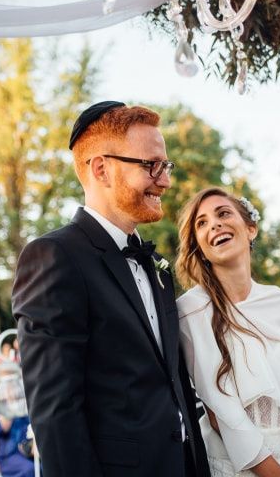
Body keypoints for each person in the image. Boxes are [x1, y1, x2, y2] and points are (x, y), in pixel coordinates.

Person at [12, 101, 210, 477]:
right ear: (101, 168)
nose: (164, 180)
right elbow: (56, 413)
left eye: (165, 166)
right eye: (151, 165)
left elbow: (174, 385)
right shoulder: (54, 257)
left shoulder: (156, 266)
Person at [175, 187, 280, 477]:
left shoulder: (278, 299)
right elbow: (222, 415)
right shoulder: (191, 310)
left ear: (250, 229)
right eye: (201, 222)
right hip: (243, 465)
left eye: (223, 213)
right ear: (199, 246)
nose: (214, 224)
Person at [0, 362, 34, 477]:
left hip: (29, 447)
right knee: (29, 469)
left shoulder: (24, 399)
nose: (10, 384)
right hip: (9, 453)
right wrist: (7, 408)